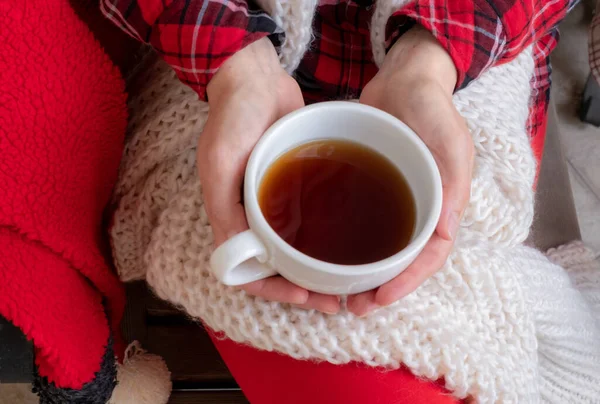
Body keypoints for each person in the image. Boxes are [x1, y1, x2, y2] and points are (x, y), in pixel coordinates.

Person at [103, 1, 579, 402]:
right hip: (230, 61)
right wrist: (236, 67)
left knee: (468, 234)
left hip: (469, 58)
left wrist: (429, 61)